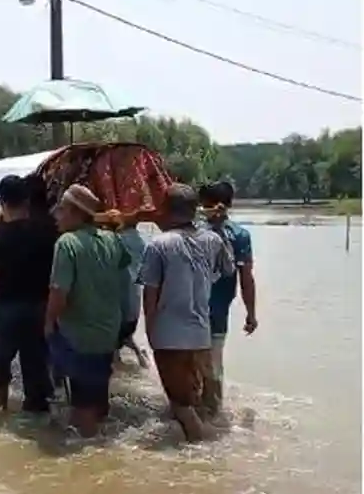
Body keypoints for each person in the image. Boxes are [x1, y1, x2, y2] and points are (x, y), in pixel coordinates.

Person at [139, 183, 235, 442]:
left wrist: (150, 331)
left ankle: (203, 454)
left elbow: (150, 295)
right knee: (195, 399)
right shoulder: (213, 239)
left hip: (169, 335)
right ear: (196, 211)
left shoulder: (157, 245)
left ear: (165, 209)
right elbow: (228, 270)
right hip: (201, 333)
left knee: (180, 403)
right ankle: (198, 444)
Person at [46, 184, 133, 437]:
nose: (57, 215)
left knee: (80, 404)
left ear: (74, 212)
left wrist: (48, 322)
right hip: (107, 332)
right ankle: (100, 445)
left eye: (61, 210)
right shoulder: (112, 240)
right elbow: (124, 277)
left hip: (78, 335)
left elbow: (59, 292)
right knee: (98, 398)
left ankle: (86, 450)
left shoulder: (66, 243)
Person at [0, 175, 57, 416]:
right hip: (40, 309)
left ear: (1, 202)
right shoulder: (49, 233)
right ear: (26, 200)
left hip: (7, 311)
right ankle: (38, 421)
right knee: (36, 371)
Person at [198, 181, 258, 417]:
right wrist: (251, 313)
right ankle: (214, 415)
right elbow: (246, 278)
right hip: (217, 313)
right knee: (213, 368)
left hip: (185, 312)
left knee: (188, 366)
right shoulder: (240, 235)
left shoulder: (190, 232)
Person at [116, 216, 150, 368]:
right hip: (134, 304)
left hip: (120, 303)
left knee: (115, 342)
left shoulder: (116, 240)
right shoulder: (141, 241)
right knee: (127, 336)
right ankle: (142, 358)